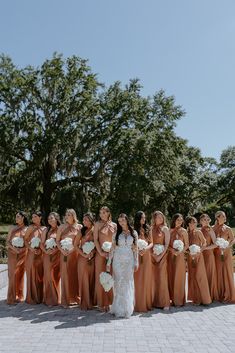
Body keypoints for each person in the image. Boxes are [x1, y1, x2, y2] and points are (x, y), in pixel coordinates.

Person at [106, 213, 138, 318]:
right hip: (118, 261)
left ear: (127, 220)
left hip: (129, 261)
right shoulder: (116, 234)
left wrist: (136, 261)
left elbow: (135, 249)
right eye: (119, 221)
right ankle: (118, 308)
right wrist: (108, 263)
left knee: (128, 282)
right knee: (119, 283)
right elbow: (112, 249)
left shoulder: (134, 233)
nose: (121, 223)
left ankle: (127, 308)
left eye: (123, 220)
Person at [56, 209, 81, 307]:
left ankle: (76, 298)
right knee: (65, 275)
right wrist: (62, 250)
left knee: (75, 275)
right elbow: (57, 241)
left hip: (75, 254)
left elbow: (80, 242)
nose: (67, 216)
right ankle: (65, 300)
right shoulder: (62, 227)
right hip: (64, 254)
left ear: (73, 216)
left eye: (69, 214)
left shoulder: (79, 227)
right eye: (66, 214)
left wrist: (73, 249)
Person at [94, 206, 117, 311]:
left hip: (112, 255)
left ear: (108, 213)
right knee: (100, 278)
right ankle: (101, 303)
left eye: (104, 212)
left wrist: (112, 252)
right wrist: (101, 252)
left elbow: (116, 241)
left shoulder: (114, 225)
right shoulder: (97, 224)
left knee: (111, 277)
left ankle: (109, 303)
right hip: (100, 255)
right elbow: (95, 240)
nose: (102, 214)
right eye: (100, 213)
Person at [186, 216, 211, 305]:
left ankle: (204, 299)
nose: (193, 224)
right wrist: (189, 252)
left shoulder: (199, 232)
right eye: (191, 222)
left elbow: (204, 243)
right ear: (188, 224)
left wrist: (199, 251)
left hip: (199, 256)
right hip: (190, 257)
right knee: (192, 276)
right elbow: (185, 246)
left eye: (195, 222)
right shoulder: (186, 233)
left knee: (200, 276)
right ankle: (196, 298)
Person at [212, 211, 235, 303]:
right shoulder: (213, 228)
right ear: (217, 217)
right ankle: (218, 294)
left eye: (225, 216)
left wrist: (227, 246)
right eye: (223, 216)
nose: (225, 218)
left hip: (226, 253)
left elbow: (233, 239)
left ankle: (227, 295)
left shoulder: (228, 228)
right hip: (216, 253)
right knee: (218, 272)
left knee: (226, 272)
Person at [7, 212, 28, 304]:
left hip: (23, 254)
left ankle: (19, 296)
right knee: (12, 275)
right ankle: (11, 296)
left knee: (20, 275)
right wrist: (14, 249)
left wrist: (22, 249)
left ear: (23, 218)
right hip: (12, 254)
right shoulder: (12, 228)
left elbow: (28, 243)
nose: (16, 218)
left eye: (18, 217)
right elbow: (7, 242)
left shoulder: (27, 229)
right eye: (16, 216)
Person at [75, 213, 96, 310]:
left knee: (92, 279)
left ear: (91, 220)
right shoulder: (81, 231)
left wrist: (93, 252)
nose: (84, 222)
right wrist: (84, 254)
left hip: (93, 258)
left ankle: (92, 301)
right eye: (83, 220)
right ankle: (85, 302)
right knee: (84, 279)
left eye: (86, 220)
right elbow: (75, 245)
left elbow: (98, 243)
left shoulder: (95, 230)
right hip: (82, 259)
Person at [25, 211, 46, 304]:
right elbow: (25, 240)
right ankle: (32, 297)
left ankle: (41, 297)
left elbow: (45, 242)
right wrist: (31, 248)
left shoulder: (45, 228)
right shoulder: (30, 227)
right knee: (32, 273)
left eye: (35, 216)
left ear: (40, 217)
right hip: (31, 254)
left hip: (41, 254)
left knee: (40, 274)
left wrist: (41, 250)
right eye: (32, 217)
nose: (33, 218)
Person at [134, 211, 153, 312]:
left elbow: (151, 242)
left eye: (145, 218)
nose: (144, 220)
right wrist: (137, 249)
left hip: (146, 255)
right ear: (138, 219)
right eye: (142, 218)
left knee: (146, 278)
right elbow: (132, 243)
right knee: (138, 279)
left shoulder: (148, 228)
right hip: (136, 255)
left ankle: (146, 303)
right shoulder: (133, 230)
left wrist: (145, 249)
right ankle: (138, 303)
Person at [151, 211, 170, 310]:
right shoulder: (151, 229)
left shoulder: (165, 229)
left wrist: (160, 256)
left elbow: (166, 244)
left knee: (162, 278)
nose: (160, 219)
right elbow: (149, 242)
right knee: (154, 279)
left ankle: (164, 302)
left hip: (162, 256)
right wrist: (152, 254)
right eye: (157, 217)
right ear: (154, 219)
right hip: (152, 256)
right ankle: (154, 301)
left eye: (161, 217)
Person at [168, 213, 188, 306]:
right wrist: (172, 250)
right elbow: (166, 245)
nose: (179, 221)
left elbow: (187, 244)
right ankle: (172, 298)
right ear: (174, 220)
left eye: (181, 220)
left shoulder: (184, 231)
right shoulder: (169, 230)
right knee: (171, 276)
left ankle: (179, 300)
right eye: (178, 220)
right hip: (170, 256)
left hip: (180, 257)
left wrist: (180, 252)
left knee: (179, 277)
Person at [41, 212, 61, 306]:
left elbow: (62, 242)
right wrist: (45, 251)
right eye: (48, 219)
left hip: (58, 255)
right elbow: (41, 243)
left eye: (51, 218)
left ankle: (57, 298)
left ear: (56, 219)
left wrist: (56, 249)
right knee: (49, 276)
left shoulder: (61, 229)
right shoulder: (46, 230)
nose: (49, 220)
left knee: (56, 276)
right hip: (47, 255)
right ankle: (49, 299)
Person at [200, 214, 218, 301]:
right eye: (204, 219)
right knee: (201, 274)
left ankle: (210, 295)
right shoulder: (198, 230)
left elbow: (215, 244)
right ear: (200, 221)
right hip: (200, 255)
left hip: (208, 255)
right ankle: (202, 295)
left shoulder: (210, 230)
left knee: (209, 273)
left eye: (207, 219)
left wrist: (205, 248)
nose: (206, 221)